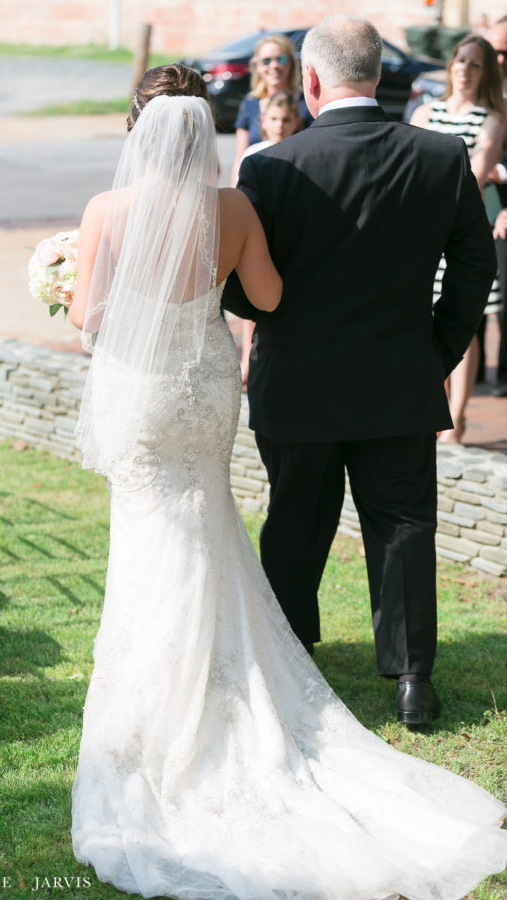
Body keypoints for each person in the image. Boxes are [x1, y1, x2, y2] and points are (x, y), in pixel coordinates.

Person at [67, 59, 507, 900]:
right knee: (213, 523)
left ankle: (169, 693)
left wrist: (90, 285)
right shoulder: (233, 207)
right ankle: (380, 676)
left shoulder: (107, 209)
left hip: (144, 395)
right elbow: (265, 295)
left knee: (164, 530)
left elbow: (89, 316)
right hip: (205, 390)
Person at [223, 15, 497, 726]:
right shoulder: (439, 157)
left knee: (294, 522)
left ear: (311, 80)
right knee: (403, 526)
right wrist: (437, 352)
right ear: (377, 74)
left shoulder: (270, 167)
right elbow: (477, 265)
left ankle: (291, 656)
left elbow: (240, 287)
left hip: (298, 382)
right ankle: (412, 680)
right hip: (398, 379)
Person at [410, 34, 505, 440]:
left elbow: (476, 173)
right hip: (422, 233)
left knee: (463, 322)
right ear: (451, 65)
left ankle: (457, 418)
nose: (465, 68)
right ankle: (436, 410)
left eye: (475, 63)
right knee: (424, 320)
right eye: (460, 60)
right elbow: (407, 165)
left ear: (486, 73)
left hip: (462, 233)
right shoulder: (425, 111)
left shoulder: (492, 117)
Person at [238, 90, 300, 384]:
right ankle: (248, 358)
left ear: (295, 121)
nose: (279, 125)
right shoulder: (254, 154)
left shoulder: (300, 152)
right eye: (274, 119)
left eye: (285, 120)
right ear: (263, 121)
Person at [230, 33, 311, 186]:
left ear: (291, 63)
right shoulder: (249, 104)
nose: (274, 66)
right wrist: (234, 191)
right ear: (258, 66)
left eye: (281, 59)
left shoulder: (306, 103)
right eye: (266, 61)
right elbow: (239, 159)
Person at [484, 18, 507, 397]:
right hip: (473, 203)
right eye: (496, 50)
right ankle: (469, 371)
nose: (500, 59)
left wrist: (498, 171)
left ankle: (504, 374)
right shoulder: (480, 89)